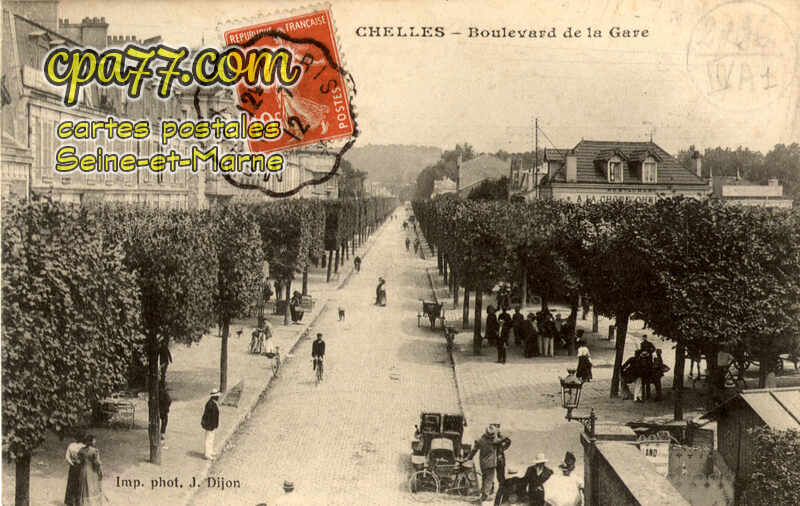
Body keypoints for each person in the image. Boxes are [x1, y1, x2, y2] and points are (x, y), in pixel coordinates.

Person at [465, 425, 500, 502]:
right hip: (491, 464)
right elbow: (506, 439)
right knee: (489, 480)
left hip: (483, 463)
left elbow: (473, 451)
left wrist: (468, 458)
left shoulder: (480, 440)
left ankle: (484, 494)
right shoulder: (494, 441)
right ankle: (484, 497)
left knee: (484, 478)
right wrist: (498, 432)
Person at [76, 434, 103, 506]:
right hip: (91, 471)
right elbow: (97, 463)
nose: (95, 442)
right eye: (94, 440)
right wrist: (100, 471)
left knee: (83, 488)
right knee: (92, 488)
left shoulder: (81, 450)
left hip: (82, 471)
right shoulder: (94, 451)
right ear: (91, 441)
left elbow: (78, 461)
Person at [64, 434, 85, 506]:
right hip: (81, 467)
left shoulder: (71, 445)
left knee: (71, 483)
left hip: (73, 466)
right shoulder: (84, 447)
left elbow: (67, 457)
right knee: (80, 484)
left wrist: (71, 463)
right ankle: (78, 502)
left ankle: (69, 501)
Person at [201, 390, 221, 460]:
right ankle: (207, 454)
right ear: (214, 397)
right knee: (208, 439)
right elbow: (209, 416)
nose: (218, 397)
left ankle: (210, 451)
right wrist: (211, 425)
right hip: (209, 425)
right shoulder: (210, 404)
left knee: (211, 438)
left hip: (212, 425)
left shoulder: (213, 403)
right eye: (217, 396)